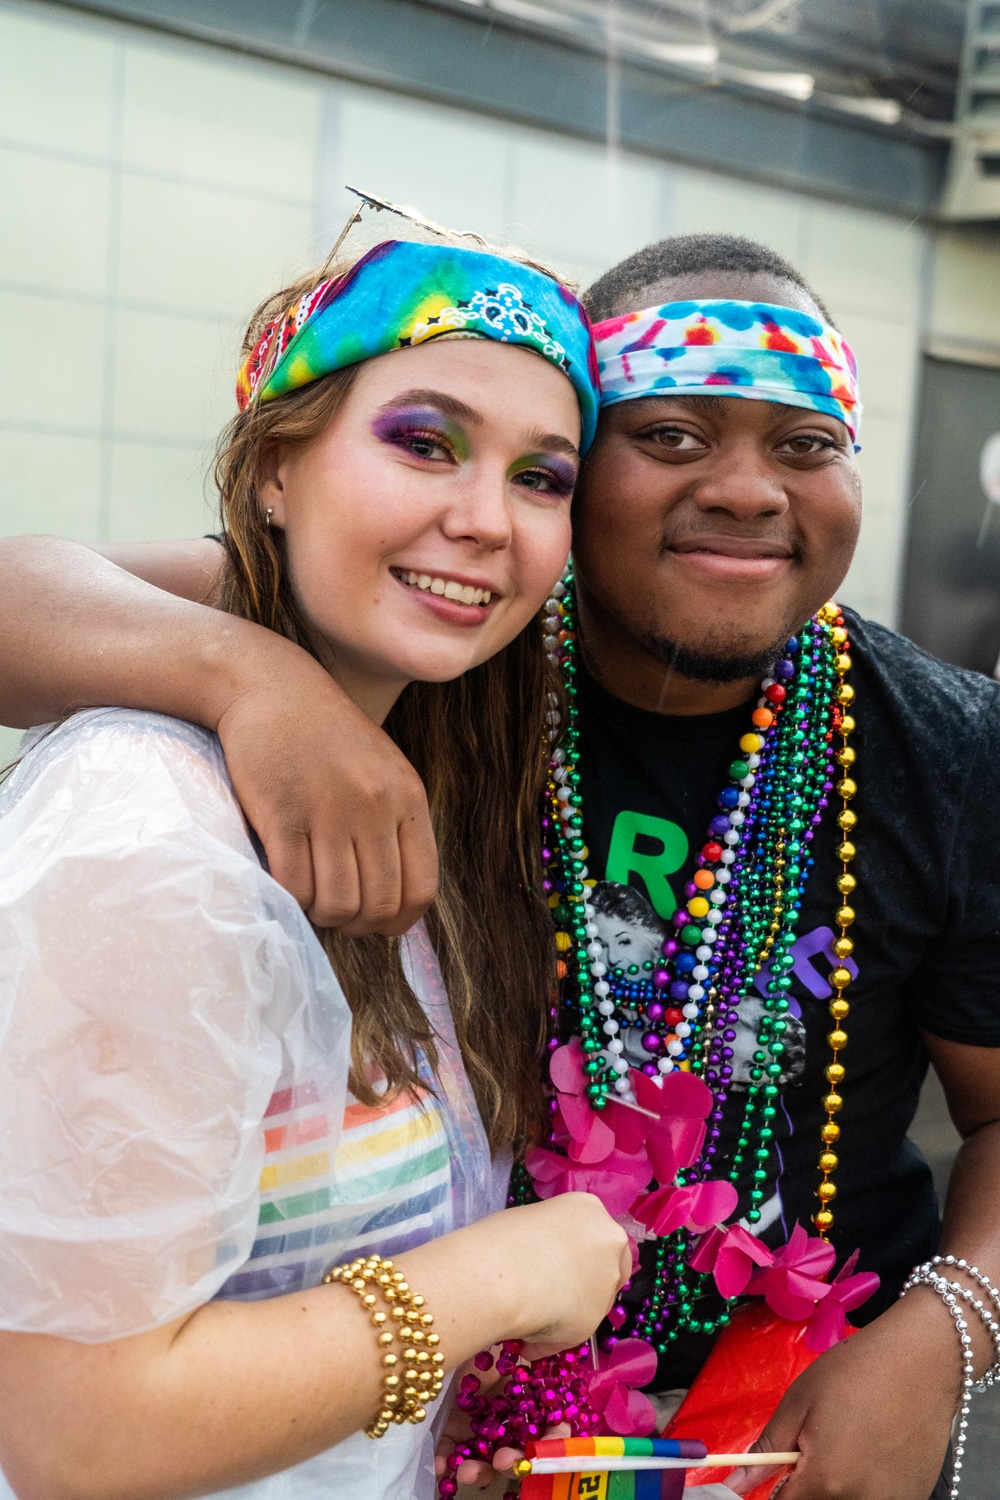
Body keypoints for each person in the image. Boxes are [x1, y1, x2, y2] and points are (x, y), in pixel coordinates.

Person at [3, 232, 1000, 1500]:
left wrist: (942, 1337)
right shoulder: (457, 646)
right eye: (675, 435)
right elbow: (26, 591)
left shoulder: (944, 744)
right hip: (454, 1424)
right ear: (582, 496)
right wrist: (248, 678)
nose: (750, 489)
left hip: (796, 1434)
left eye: (806, 443)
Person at [0, 232, 634, 1500]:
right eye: (423, 440)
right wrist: (498, 1279)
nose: (482, 520)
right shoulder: (150, 831)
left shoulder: (436, 763)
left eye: (542, 477)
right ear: (277, 466)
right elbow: (76, 1436)